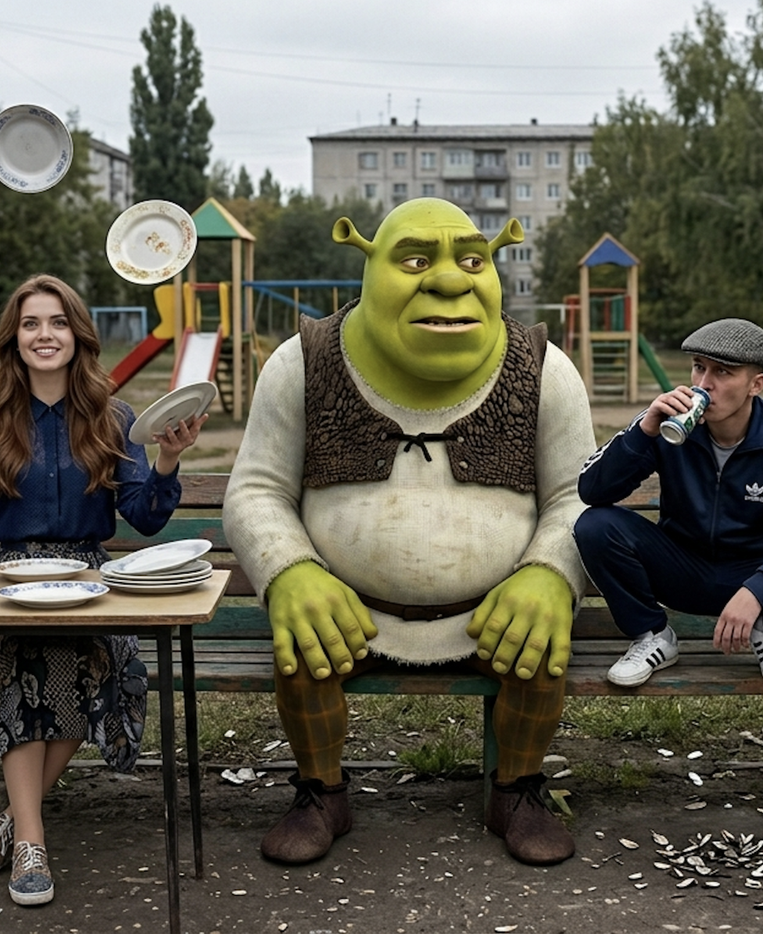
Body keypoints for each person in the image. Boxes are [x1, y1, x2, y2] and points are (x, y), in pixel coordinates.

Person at [222, 198, 595, 868]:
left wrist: (549, 573)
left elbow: (578, 495)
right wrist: (290, 570)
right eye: (416, 260)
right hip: (351, 612)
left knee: (538, 652)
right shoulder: (302, 362)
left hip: (491, 613)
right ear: (368, 265)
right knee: (303, 652)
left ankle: (518, 790)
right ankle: (320, 792)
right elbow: (256, 490)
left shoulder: (544, 368)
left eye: (472, 260)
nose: (450, 281)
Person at [0, 275, 205, 907]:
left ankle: (13, 823)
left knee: (93, 663)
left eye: (58, 322)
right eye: (32, 323)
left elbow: (146, 518)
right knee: (20, 661)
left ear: (78, 335)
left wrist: (168, 461)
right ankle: (32, 841)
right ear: (14, 339)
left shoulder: (114, 418)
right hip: (8, 584)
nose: (45, 334)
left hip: (90, 583)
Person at [574, 318, 763, 689]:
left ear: (756, 385)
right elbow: (591, 491)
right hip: (681, 566)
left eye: (723, 372)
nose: (704, 384)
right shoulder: (667, 423)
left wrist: (759, 589)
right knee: (594, 525)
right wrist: (642, 432)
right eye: (698, 367)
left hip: (753, 571)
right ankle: (653, 636)